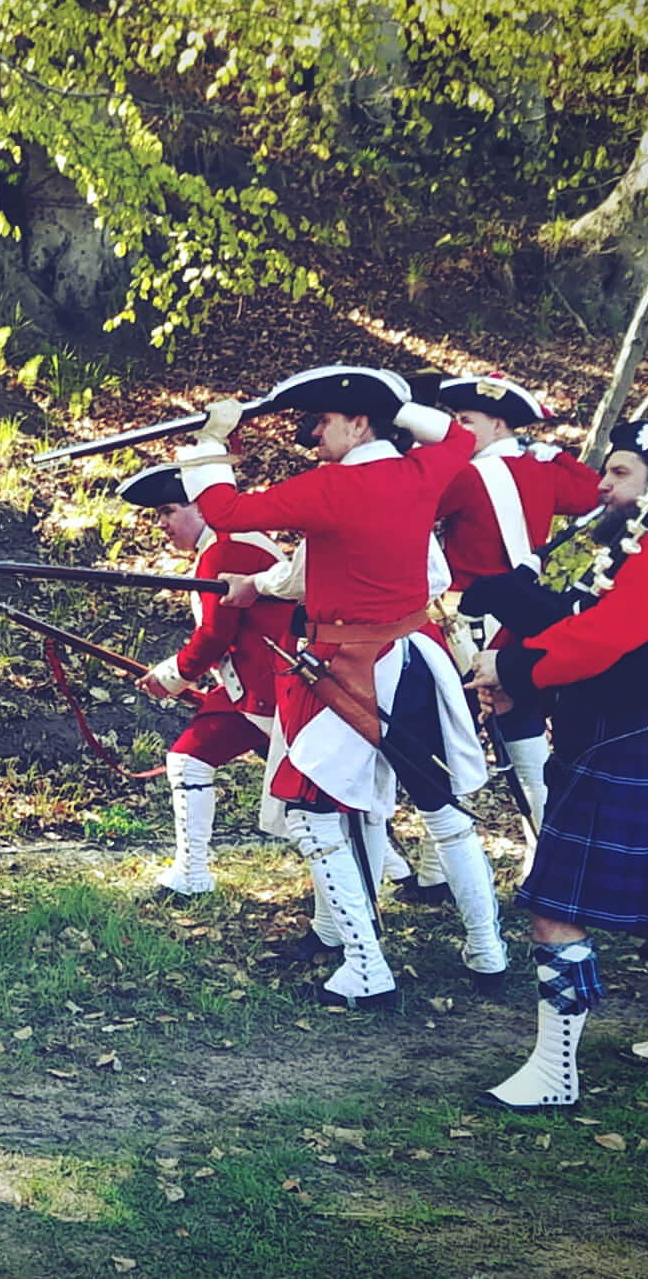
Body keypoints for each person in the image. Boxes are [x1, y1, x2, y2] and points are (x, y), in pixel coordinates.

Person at [177, 366, 507, 1008]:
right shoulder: (421, 471)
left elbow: (224, 511)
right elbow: (458, 442)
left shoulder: (332, 487)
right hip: (418, 657)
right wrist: (402, 407)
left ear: (359, 422)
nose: (313, 434)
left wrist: (212, 442)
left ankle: (365, 965)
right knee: (442, 812)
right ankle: (487, 949)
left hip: (353, 666)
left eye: (324, 422)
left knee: (312, 812)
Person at [469, 418, 648, 1111]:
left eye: (619, 473)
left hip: (622, 745)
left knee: (556, 913)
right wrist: (515, 605)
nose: (602, 484)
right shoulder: (638, 545)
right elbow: (580, 617)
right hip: (616, 743)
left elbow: (606, 638)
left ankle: (555, 1073)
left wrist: (515, 666)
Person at [397, 374, 599, 898]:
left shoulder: (465, 475)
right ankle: (542, 866)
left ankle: (440, 872)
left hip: (468, 625)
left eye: (466, 422)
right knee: (527, 748)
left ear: (499, 424)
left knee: (445, 745)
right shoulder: (542, 471)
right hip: (522, 622)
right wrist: (552, 455)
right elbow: (588, 493)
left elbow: (407, 510)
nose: (455, 431)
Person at [119, 463, 292, 897]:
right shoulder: (226, 543)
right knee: (189, 759)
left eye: (170, 510)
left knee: (321, 804)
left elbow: (216, 634)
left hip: (272, 689)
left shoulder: (223, 549)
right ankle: (190, 873)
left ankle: (192, 875)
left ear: (201, 506)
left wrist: (173, 676)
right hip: (254, 685)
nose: (162, 524)